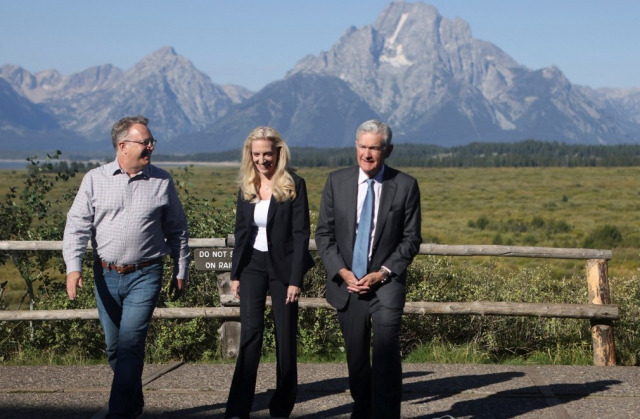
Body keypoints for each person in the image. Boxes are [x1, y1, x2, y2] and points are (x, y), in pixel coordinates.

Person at [63, 115, 190, 418]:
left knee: (131, 343)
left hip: (146, 274)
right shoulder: (94, 179)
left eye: (151, 142)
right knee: (115, 349)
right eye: (145, 142)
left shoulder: (162, 180)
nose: (151, 147)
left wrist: (181, 268)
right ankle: (133, 404)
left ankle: (118, 412)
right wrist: (73, 266)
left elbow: (177, 228)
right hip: (105, 274)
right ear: (123, 145)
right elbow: (77, 225)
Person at [315, 119, 422, 418]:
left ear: (388, 150)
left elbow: (411, 239)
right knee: (357, 359)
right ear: (355, 147)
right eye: (362, 146)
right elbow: (323, 234)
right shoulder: (336, 182)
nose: (367, 154)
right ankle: (362, 411)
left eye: (374, 148)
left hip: (386, 285)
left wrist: (383, 273)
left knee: (386, 354)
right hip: (347, 286)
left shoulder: (406, 186)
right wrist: (342, 271)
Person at [225, 127, 314, 419]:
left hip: (284, 269)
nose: (262, 160)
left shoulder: (294, 185)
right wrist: (235, 273)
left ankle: (282, 407)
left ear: (279, 153)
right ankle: (238, 408)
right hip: (252, 266)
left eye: (267, 154)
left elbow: (301, 234)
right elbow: (241, 232)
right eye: (257, 154)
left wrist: (295, 279)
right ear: (250, 155)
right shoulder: (247, 186)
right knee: (250, 334)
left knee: (285, 337)